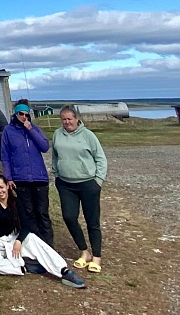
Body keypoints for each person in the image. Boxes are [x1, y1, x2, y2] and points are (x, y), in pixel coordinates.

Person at [0, 176, 85, 288]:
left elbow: (26, 226)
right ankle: (23, 267)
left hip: (12, 239)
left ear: (7, 186)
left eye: (1, 187)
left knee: (32, 238)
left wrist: (19, 241)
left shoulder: (16, 202)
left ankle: (63, 271)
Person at [52, 104, 107, 274]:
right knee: (69, 217)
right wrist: (56, 173)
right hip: (66, 184)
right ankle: (84, 252)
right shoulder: (57, 134)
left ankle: (97, 256)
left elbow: (101, 158)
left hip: (88, 184)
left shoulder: (88, 136)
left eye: (69, 119)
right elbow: (55, 155)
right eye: (64, 119)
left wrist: (98, 180)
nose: (67, 122)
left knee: (92, 221)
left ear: (76, 119)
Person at [0, 100, 53, 246]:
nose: (23, 117)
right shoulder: (8, 131)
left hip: (39, 178)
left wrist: (30, 129)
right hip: (21, 179)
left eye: (26, 114)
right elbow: (5, 156)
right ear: (15, 114)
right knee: (28, 214)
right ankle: (35, 247)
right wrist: (8, 177)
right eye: (20, 114)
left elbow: (44, 147)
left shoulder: (34, 129)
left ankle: (49, 247)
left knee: (42, 213)